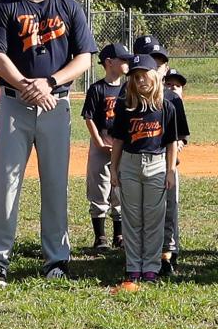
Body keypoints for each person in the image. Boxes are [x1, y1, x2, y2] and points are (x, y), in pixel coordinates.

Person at [0, 0, 98, 286]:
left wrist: (48, 82)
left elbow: (84, 57)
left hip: (55, 103)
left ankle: (56, 259)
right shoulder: (5, 6)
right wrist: (25, 84)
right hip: (14, 103)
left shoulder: (69, 7)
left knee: (56, 184)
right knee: (5, 185)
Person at [109, 53, 178, 285]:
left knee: (153, 218)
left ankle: (150, 267)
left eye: (143, 75)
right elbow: (118, 140)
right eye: (135, 77)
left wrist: (170, 171)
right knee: (132, 218)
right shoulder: (125, 106)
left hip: (157, 164)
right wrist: (113, 169)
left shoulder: (166, 106)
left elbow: (171, 142)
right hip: (129, 164)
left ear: (154, 76)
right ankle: (133, 266)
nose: (139, 81)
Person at [130, 35, 190, 275]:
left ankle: (168, 253)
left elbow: (181, 134)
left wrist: (174, 152)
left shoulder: (172, 98)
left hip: (165, 162)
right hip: (136, 162)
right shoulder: (129, 98)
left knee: (168, 208)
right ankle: (141, 254)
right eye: (151, 60)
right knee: (138, 209)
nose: (156, 66)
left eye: (160, 61)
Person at [81, 43, 130, 250]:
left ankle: (119, 235)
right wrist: (98, 142)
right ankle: (100, 237)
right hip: (101, 143)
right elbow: (89, 117)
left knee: (119, 190)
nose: (127, 63)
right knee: (99, 188)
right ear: (109, 63)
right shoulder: (97, 88)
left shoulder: (128, 88)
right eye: (123, 60)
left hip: (122, 146)